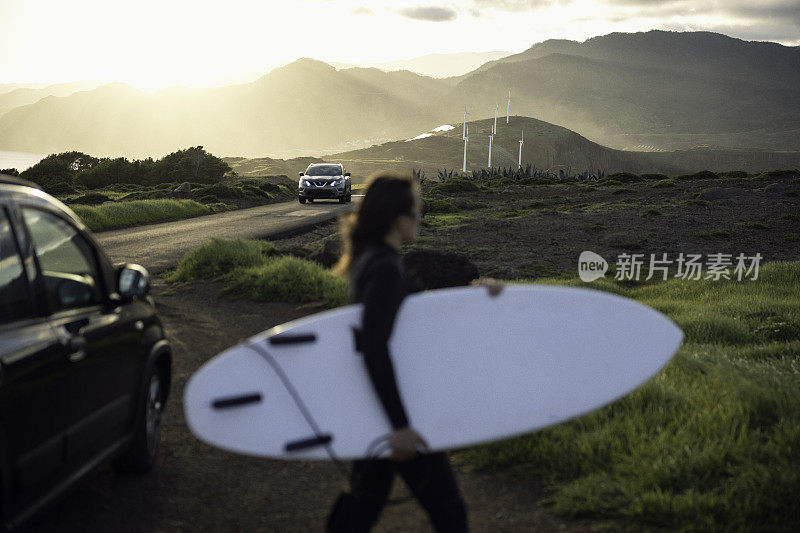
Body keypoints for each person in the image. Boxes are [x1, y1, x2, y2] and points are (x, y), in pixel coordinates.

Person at [328, 170, 499, 532]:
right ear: (398, 217)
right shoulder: (385, 268)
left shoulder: (371, 259)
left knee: (362, 506)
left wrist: (471, 297)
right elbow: (375, 346)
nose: (421, 215)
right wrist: (401, 426)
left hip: (381, 408)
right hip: (400, 412)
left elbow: (409, 326)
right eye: (417, 208)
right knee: (450, 514)